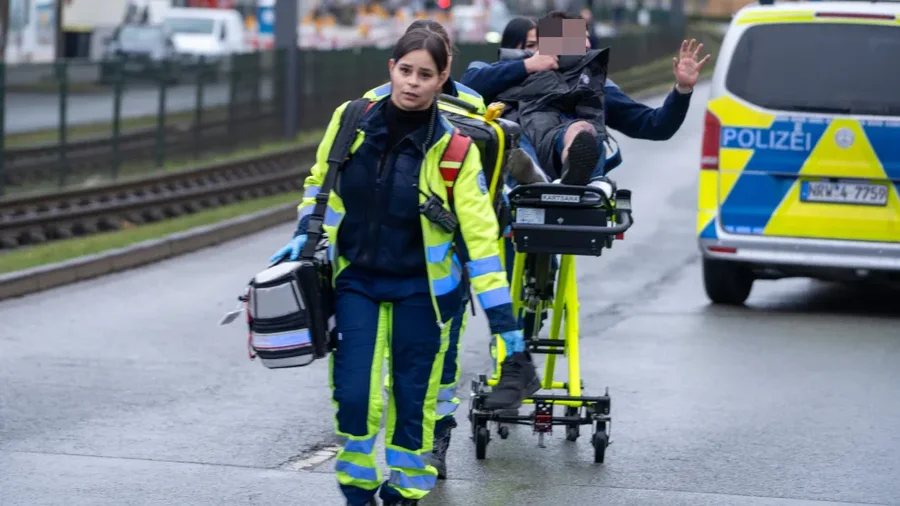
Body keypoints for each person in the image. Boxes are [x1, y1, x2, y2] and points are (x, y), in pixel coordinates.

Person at [269, 28, 528, 506]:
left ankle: (405, 492)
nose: (412, 83)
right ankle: (358, 493)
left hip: (422, 293)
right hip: (356, 283)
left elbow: (481, 240)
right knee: (354, 397)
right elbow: (319, 184)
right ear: (390, 68)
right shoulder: (351, 120)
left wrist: (505, 325)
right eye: (404, 71)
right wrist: (306, 232)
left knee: (414, 404)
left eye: (425, 75)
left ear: (442, 79)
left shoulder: (456, 152)